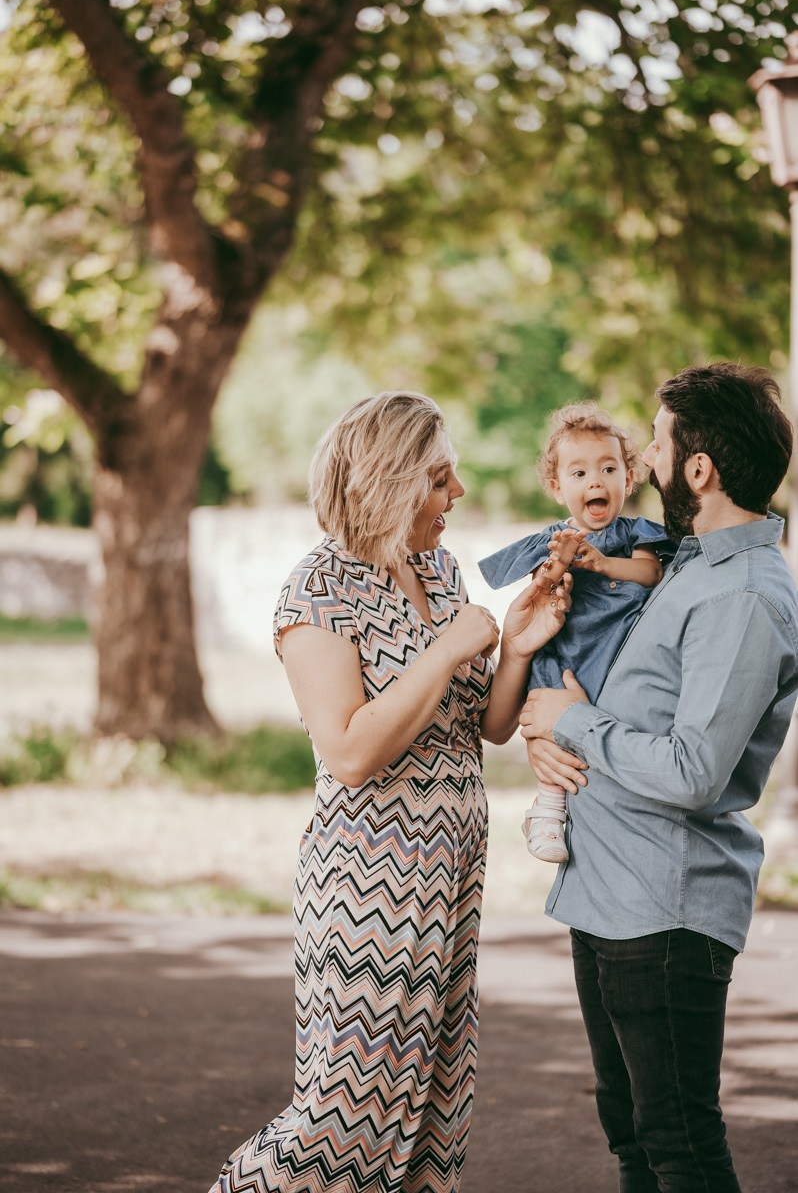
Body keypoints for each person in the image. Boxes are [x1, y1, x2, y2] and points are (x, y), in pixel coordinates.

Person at [208, 390, 572, 1193]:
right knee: (341, 1122)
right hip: (368, 887)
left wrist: (518, 645)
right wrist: (443, 652)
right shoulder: (318, 592)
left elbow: (487, 727)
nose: (460, 494)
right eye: (441, 479)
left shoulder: (436, 571)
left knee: (431, 1117)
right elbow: (349, 751)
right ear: (391, 481)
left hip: (451, 879)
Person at [521, 362, 798, 1192]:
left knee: (678, 1145)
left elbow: (692, 770)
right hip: (605, 893)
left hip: (664, 911)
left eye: (658, 440)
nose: (643, 455)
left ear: (700, 469)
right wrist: (551, 739)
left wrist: (571, 722)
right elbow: (627, 700)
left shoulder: (742, 595)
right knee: (636, 1141)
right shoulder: (689, 563)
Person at [478, 402, 675, 862]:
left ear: (629, 478)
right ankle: (548, 808)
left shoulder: (636, 535)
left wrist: (604, 563)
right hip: (567, 652)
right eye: (579, 473)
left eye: (609, 469)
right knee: (549, 723)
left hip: (616, 654)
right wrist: (559, 564)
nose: (596, 482)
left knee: (607, 730)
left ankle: (604, 816)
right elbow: (540, 590)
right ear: (556, 486)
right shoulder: (551, 539)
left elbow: (650, 575)